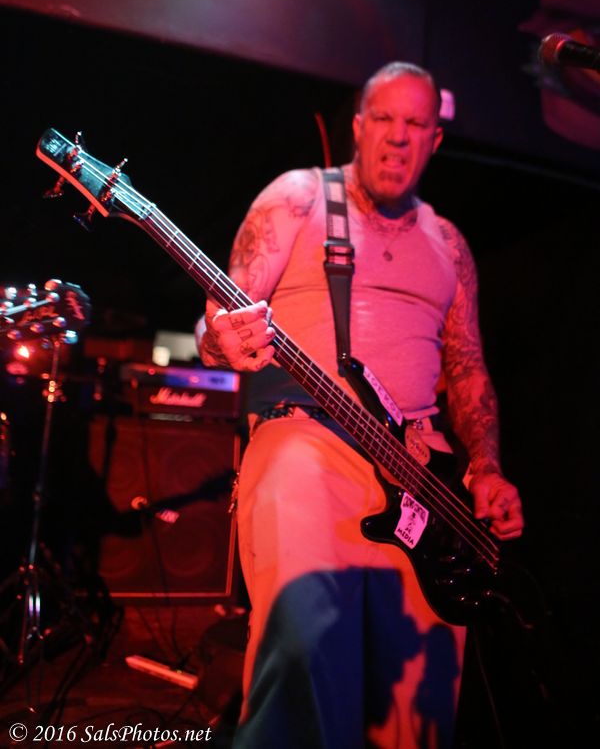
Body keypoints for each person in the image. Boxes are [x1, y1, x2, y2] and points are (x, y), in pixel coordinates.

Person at [196, 62, 524, 749]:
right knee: (305, 652)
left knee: (415, 710)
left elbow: (468, 370)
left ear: (435, 139)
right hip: (307, 445)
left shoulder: (449, 244)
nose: (398, 137)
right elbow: (218, 320)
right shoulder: (296, 199)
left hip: (425, 482)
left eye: (415, 124)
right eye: (384, 119)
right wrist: (221, 339)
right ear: (358, 127)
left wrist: (488, 467)